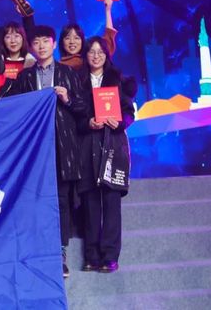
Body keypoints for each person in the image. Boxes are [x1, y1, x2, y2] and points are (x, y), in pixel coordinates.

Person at [3, 25, 86, 278]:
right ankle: (34, 251)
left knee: (61, 201)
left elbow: (83, 108)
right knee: (32, 199)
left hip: (62, 146)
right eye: (36, 42)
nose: (41, 46)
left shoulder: (68, 73)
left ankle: (59, 253)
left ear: (53, 44)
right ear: (31, 47)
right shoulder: (25, 77)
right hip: (34, 148)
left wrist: (67, 98)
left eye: (45, 41)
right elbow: (15, 109)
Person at [77, 37, 134, 274]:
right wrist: (87, 122)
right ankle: (91, 255)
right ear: (86, 55)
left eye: (100, 52)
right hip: (87, 146)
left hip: (112, 145)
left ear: (106, 55)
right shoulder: (78, 80)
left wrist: (119, 123)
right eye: (91, 52)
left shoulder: (117, 80)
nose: (96, 56)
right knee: (90, 202)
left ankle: (110, 256)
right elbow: (73, 115)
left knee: (111, 202)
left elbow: (129, 112)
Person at [59, 0, 118, 70]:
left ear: (82, 41)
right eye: (67, 38)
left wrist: (108, 10)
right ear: (62, 42)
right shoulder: (58, 67)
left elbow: (107, 41)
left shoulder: (89, 59)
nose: (72, 42)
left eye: (76, 38)